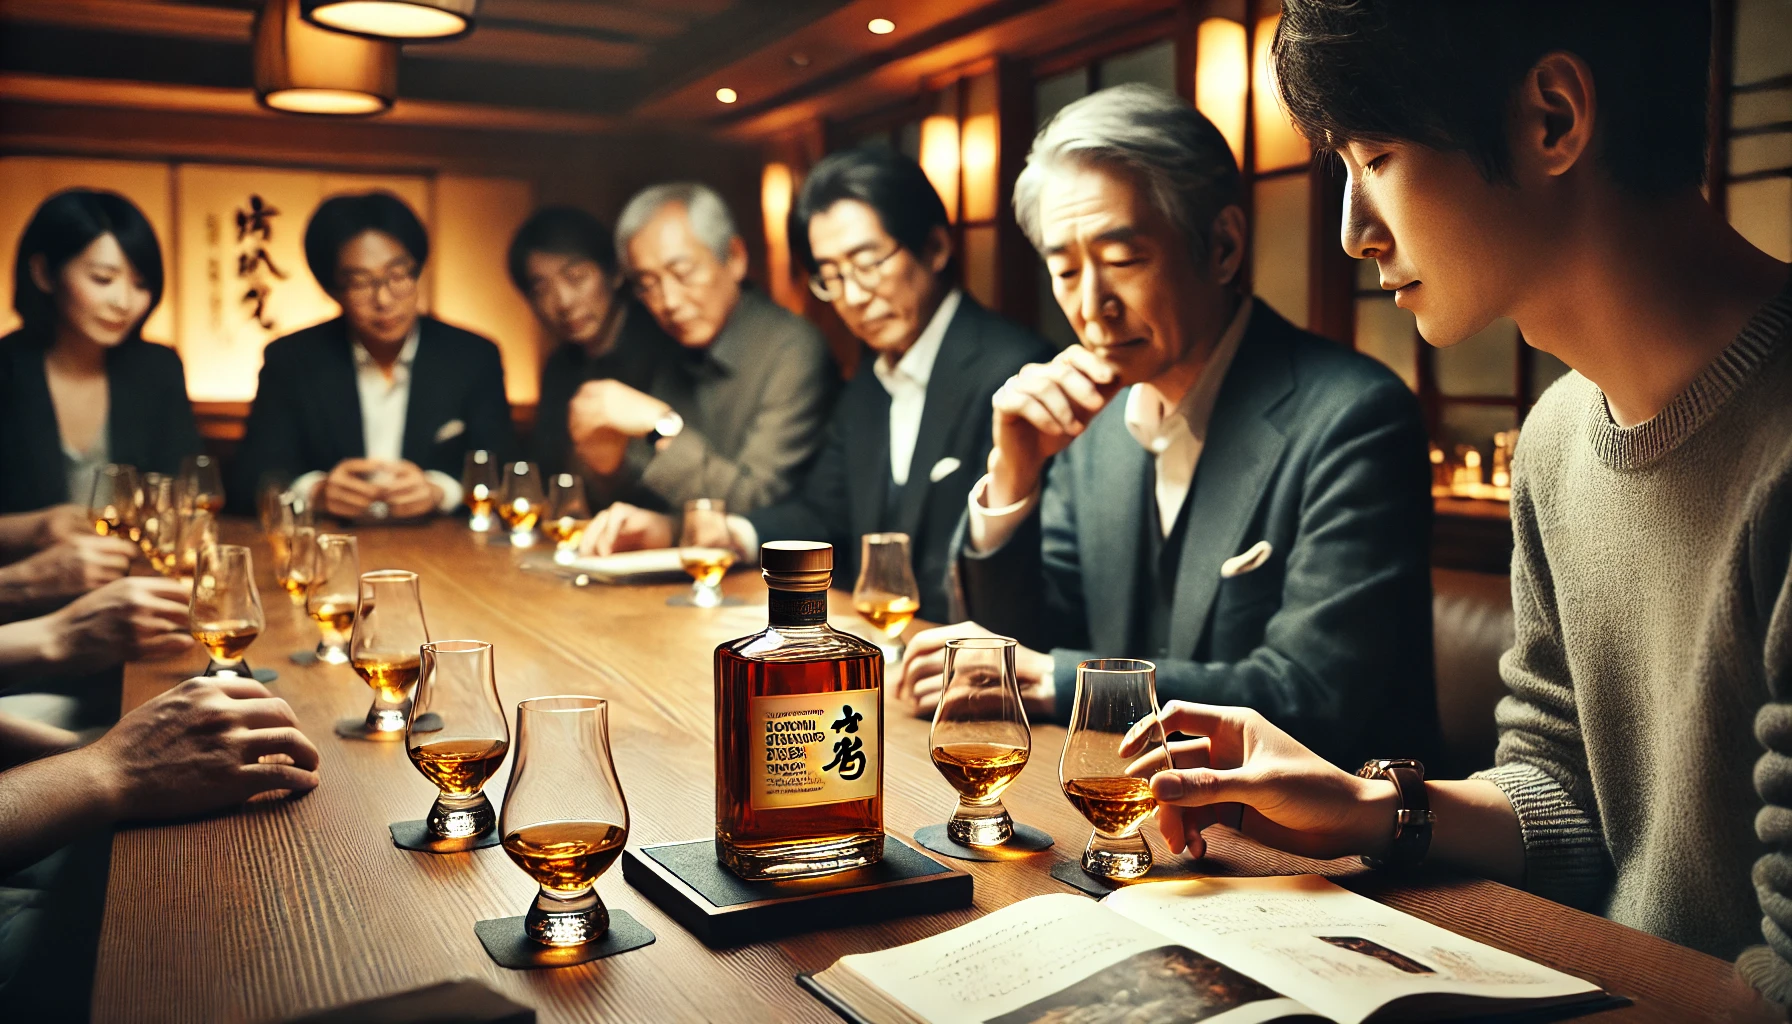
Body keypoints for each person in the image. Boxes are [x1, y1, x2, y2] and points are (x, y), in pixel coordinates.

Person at [1122, 0, 1792, 1000]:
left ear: (1553, 119)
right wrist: (1360, 805)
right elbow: (1561, 793)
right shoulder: (1558, 443)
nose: (1352, 232)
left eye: (1375, 155)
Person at [898, 84, 1435, 771]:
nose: (1093, 307)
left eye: (1123, 261)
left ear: (1221, 246)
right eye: (1065, 270)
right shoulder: (1094, 424)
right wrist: (1012, 478)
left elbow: (1311, 694)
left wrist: (1056, 680)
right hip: (1123, 807)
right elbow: (1019, 652)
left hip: (1325, 852)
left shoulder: (1354, 416)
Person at [583, 149, 1052, 622]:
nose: (851, 296)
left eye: (868, 263)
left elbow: (1033, 571)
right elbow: (821, 516)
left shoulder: (1013, 372)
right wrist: (724, 534)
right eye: (830, 275)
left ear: (934, 248)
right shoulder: (869, 382)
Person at [232, 192, 514, 520]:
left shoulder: (473, 357)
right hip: (331, 549)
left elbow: (508, 475)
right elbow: (249, 480)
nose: (383, 299)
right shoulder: (292, 360)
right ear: (331, 288)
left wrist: (441, 491)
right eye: (360, 282)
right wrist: (316, 493)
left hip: (442, 550)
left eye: (397, 275)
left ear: (418, 269)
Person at [572, 182, 833, 525]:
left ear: (735, 258)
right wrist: (609, 467)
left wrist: (661, 428)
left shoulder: (793, 349)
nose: (669, 302)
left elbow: (755, 508)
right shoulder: (666, 346)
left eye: (683, 273)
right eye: (648, 284)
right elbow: (648, 499)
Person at [0, 190, 201, 516]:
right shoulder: (7, 370)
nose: (123, 302)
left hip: (134, 563)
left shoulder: (157, 369)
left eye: (140, 284)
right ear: (43, 273)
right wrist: (39, 531)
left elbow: (184, 496)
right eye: (102, 279)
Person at [509, 206, 676, 510]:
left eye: (575, 277)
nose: (563, 302)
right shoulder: (559, 367)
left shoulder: (666, 346)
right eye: (541, 289)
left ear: (613, 273)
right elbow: (547, 475)